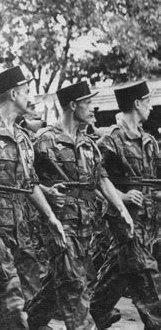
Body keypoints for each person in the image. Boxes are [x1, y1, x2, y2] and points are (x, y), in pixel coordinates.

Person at [0, 66, 66, 329]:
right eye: (27, 91)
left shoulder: (23, 138)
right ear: (13, 93)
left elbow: (29, 184)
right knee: (11, 299)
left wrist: (50, 216)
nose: (30, 97)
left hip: (20, 228)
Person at [25, 81, 134, 329]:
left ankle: (28, 321)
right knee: (74, 282)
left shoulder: (87, 143)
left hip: (85, 224)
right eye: (87, 103)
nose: (93, 108)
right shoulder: (43, 140)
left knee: (61, 280)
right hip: (58, 224)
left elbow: (101, 178)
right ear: (73, 106)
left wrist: (121, 208)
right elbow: (25, 180)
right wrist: (46, 191)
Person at [90, 81, 161, 329]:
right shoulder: (111, 140)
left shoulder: (149, 141)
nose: (151, 108)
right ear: (137, 103)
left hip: (148, 221)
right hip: (124, 221)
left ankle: (93, 312)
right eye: (148, 102)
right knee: (146, 275)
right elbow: (94, 180)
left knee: (118, 272)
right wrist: (121, 196)